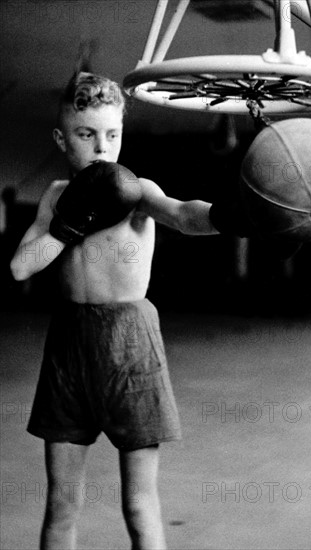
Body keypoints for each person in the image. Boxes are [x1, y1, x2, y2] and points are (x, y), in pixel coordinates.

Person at [10, 71, 218, 550]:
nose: (101, 149)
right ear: (62, 138)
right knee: (62, 504)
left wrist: (235, 214)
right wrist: (69, 224)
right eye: (86, 135)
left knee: (139, 503)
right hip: (70, 345)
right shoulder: (57, 196)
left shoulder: (137, 190)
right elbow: (21, 268)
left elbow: (186, 215)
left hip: (131, 344)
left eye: (112, 135)